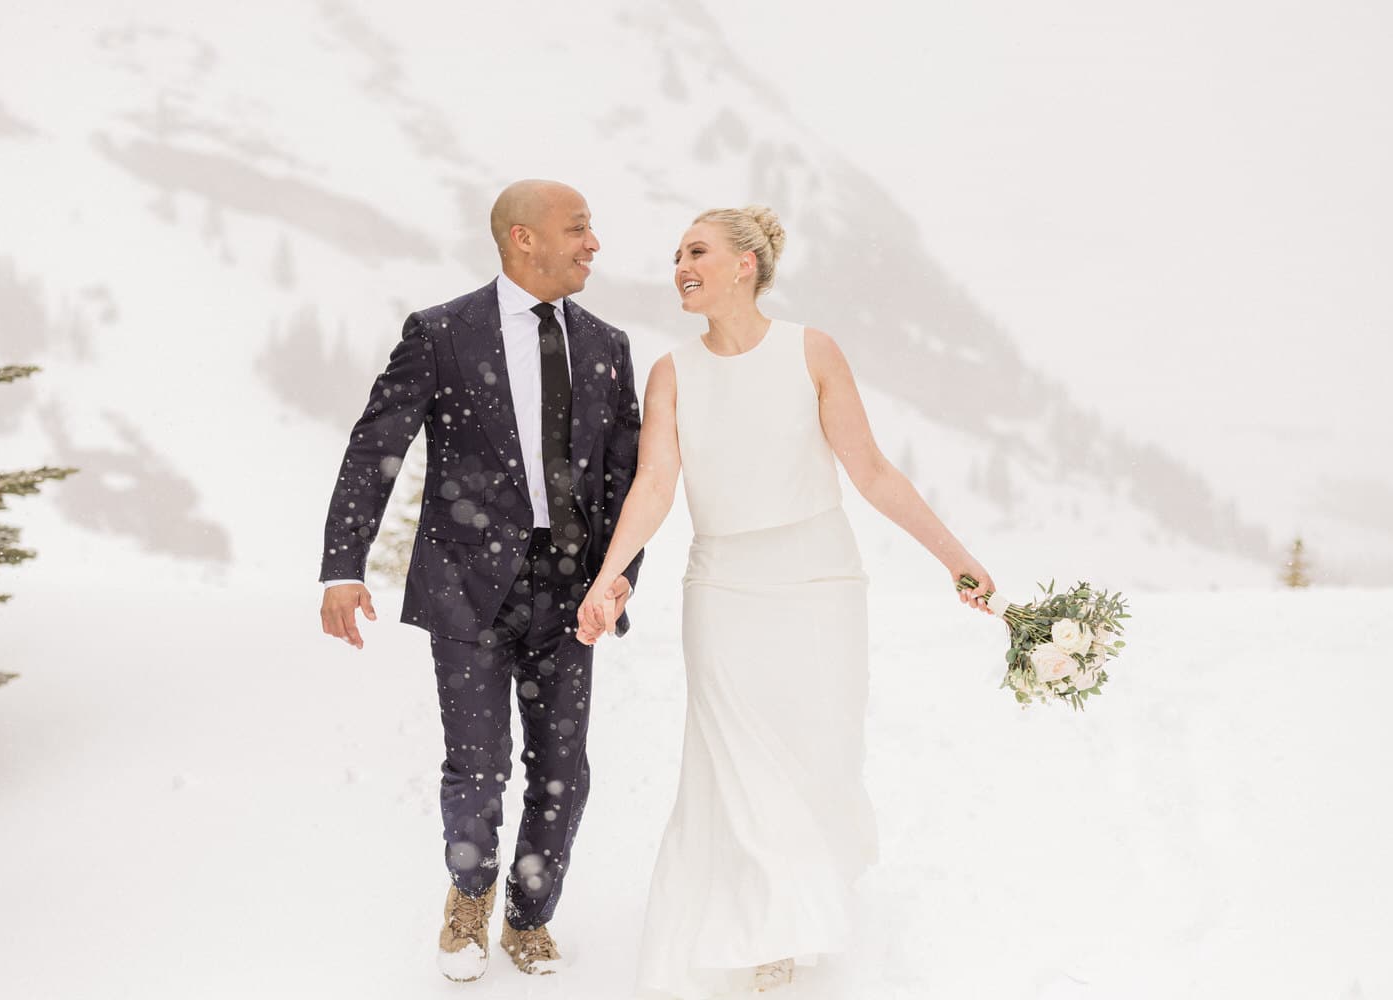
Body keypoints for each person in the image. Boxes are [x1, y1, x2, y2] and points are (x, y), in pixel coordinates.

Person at [575, 205, 995, 997]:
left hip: (819, 580)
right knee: (736, 759)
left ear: (746, 264)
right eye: (675, 256)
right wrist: (608, 574)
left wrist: (957, 561)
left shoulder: (811, 351)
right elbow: (656, 484)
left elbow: (870, 471)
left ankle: (799, 902)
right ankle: (770, 927)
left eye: (696, 251)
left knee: (816, 753)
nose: (680, 267)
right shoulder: (672, 371)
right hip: (723, 586)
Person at [318, 179, 644, 984]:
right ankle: (469, 898)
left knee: (564, 768)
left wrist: (620, 576)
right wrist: (341, 567)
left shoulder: (606, 344)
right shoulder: (441, 334)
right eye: (578, 228)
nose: (593, 243)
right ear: (522, 239)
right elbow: (376, 448)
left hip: (575, 590)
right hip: (467, 585)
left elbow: (628, 476)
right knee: (477, 761)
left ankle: (531, 915)